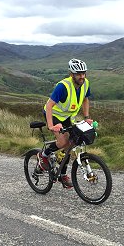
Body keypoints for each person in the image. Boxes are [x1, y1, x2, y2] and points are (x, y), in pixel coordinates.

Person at [37, 58, 93, 188]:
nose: (82, 76)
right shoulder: (63, 86)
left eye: (84, 73)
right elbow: (49, 105)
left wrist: (86, 117)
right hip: (54, 114)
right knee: (63, 142)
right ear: (71, 74)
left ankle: (62, 175)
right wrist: (51, 126)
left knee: (71, 143)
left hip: (68, 116)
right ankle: (44, 155)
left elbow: (85, 100)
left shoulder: (85, 84)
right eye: (79, 74)